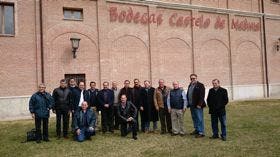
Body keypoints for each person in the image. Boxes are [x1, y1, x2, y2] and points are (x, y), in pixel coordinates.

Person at [186, 74, 206, 138]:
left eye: (194, 78)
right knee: (194, 118)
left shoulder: (200, 85)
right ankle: (197, 130)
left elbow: (202, 96)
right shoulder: (190, 85)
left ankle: (201, 132)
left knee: (199, 118)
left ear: (196, 78)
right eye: (191, 78)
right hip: (192, 105)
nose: (192, 79)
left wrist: (199, 104)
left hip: (198, 106)